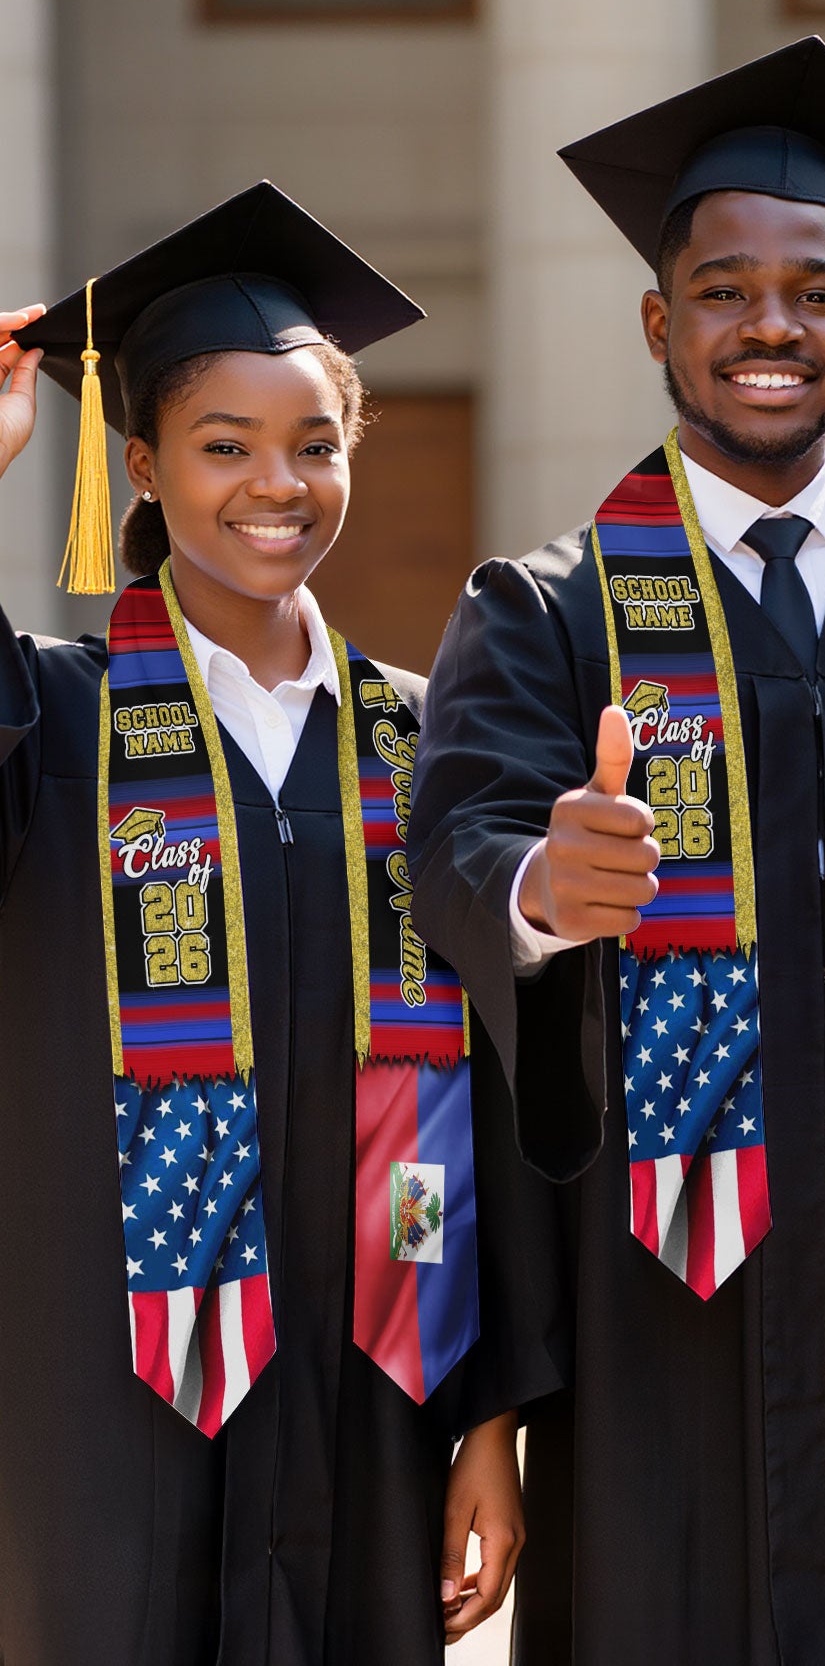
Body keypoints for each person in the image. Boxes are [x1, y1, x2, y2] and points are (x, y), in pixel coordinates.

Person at [407, 37, 825, 1663]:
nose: (770, 327)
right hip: (653, 1322)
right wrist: (542, 891)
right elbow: (456, 850)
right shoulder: (548, 612)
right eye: (722, 290)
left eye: (815, 290)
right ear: (660, 322)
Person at [0, 182, 557, 1665]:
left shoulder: (427, 746)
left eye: (315, 446)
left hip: (369, 1385)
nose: (276, 484)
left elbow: (500, 1099)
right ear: (139, 463)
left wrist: (490, 1424)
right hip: (100, 1401)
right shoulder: (52, 723)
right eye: (224, 447)